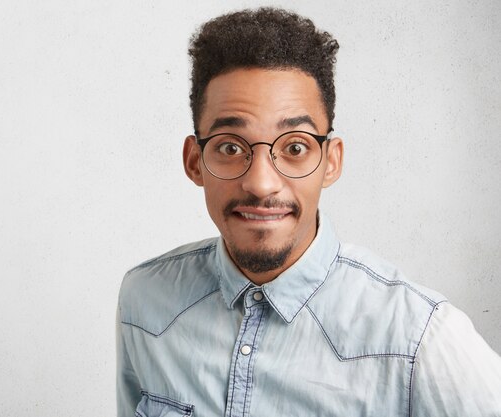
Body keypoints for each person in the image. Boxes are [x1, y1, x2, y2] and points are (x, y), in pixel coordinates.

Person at [116, 7, 501, 416]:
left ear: (331, 161)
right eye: (230, 147)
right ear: (195, 161)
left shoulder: (419, 338)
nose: (261, 183)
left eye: (295, 147)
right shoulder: (145, 301)